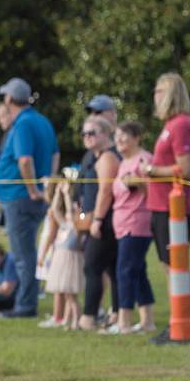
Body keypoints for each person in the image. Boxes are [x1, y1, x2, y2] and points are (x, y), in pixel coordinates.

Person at [0, 77, 59, 318]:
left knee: (23, 255)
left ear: (10, 99)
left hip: (20, 197)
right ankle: (23, 299)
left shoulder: (22, 124)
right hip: (26, 197)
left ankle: (25, 305)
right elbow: (54, 154)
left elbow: (24, 159)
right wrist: (47, 183)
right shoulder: (42, 121)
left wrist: (32, 189)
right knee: (25, 252)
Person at [140, 72, 190, 268]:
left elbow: (186, 168)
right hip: (161, 205)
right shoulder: (171, 124)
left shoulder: (181, 124)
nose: (155, 96)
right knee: (168, 264)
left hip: (172, 206)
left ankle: (181, 301)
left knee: (175, 266)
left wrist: (150, 169)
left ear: (171, 94)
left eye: (159, 91)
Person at [107, 121, 156, 335]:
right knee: (138, 271)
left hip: (136, 223)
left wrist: (136, 181)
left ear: (136, 138)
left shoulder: (144, 160)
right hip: (122, 223)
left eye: (124, 137)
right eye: (116, 138)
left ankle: (124, 321)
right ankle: (147, 321)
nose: (119, 142)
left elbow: (152, 189)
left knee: (125, 271)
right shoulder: (123, 162)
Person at [77, 115, 121, 331]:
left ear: (105, 134)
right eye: (84, 133)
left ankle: (89, 316)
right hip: (102, 218)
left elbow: (106, 191)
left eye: (92, 133)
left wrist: (97, 219)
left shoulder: (107, 158)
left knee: (92, 265)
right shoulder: (95, 158)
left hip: (107, 220)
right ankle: (117, 313)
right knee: (112, 269)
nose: (87, 137)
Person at [39, 177, 84, 329]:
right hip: (62, 256)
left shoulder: (75, 224)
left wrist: (66, 194)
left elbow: (71, 212)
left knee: (71, 295)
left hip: (70, 258)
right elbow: (55, 210)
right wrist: (58, 192)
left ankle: (76, 321)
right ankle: (67, 319)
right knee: (66, 293)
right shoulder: (65, 225)